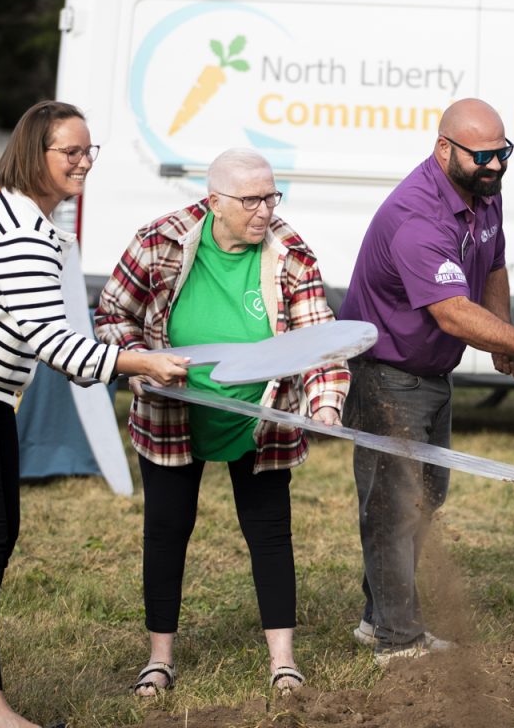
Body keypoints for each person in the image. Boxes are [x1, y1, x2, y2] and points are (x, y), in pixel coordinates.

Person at [0, 101, 188, 728]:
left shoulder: (30, 217)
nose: (82, 163)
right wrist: (143, 364)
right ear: (34, 155)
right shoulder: (21, 233)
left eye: (87, 151)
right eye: (68, 153)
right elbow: (56, 347)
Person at [339, 98, 514, 663]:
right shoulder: (417, 217)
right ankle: (397, 642)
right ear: (444, 148)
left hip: (429, 371)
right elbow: (451, 312)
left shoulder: (482, 194)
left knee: (426, 496)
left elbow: (493, 262)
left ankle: (378, 617)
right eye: (483, 156)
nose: (496, 166)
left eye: (503, 153)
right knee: (394, 505)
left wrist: (501, 337)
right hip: (387, 372)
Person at [94, 147, 349, 696]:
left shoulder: (290, 252)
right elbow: (113, 314)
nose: (264, 210)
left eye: (271, 196)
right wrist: (138, 364)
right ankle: (159, 659)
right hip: (172, 413)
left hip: (258, 419)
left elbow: (319, 339)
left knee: (270, 533)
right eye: (251, 199)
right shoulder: (158, 241)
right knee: (166, 532)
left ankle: (284, 661)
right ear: (214, 201)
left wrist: (325, 402)